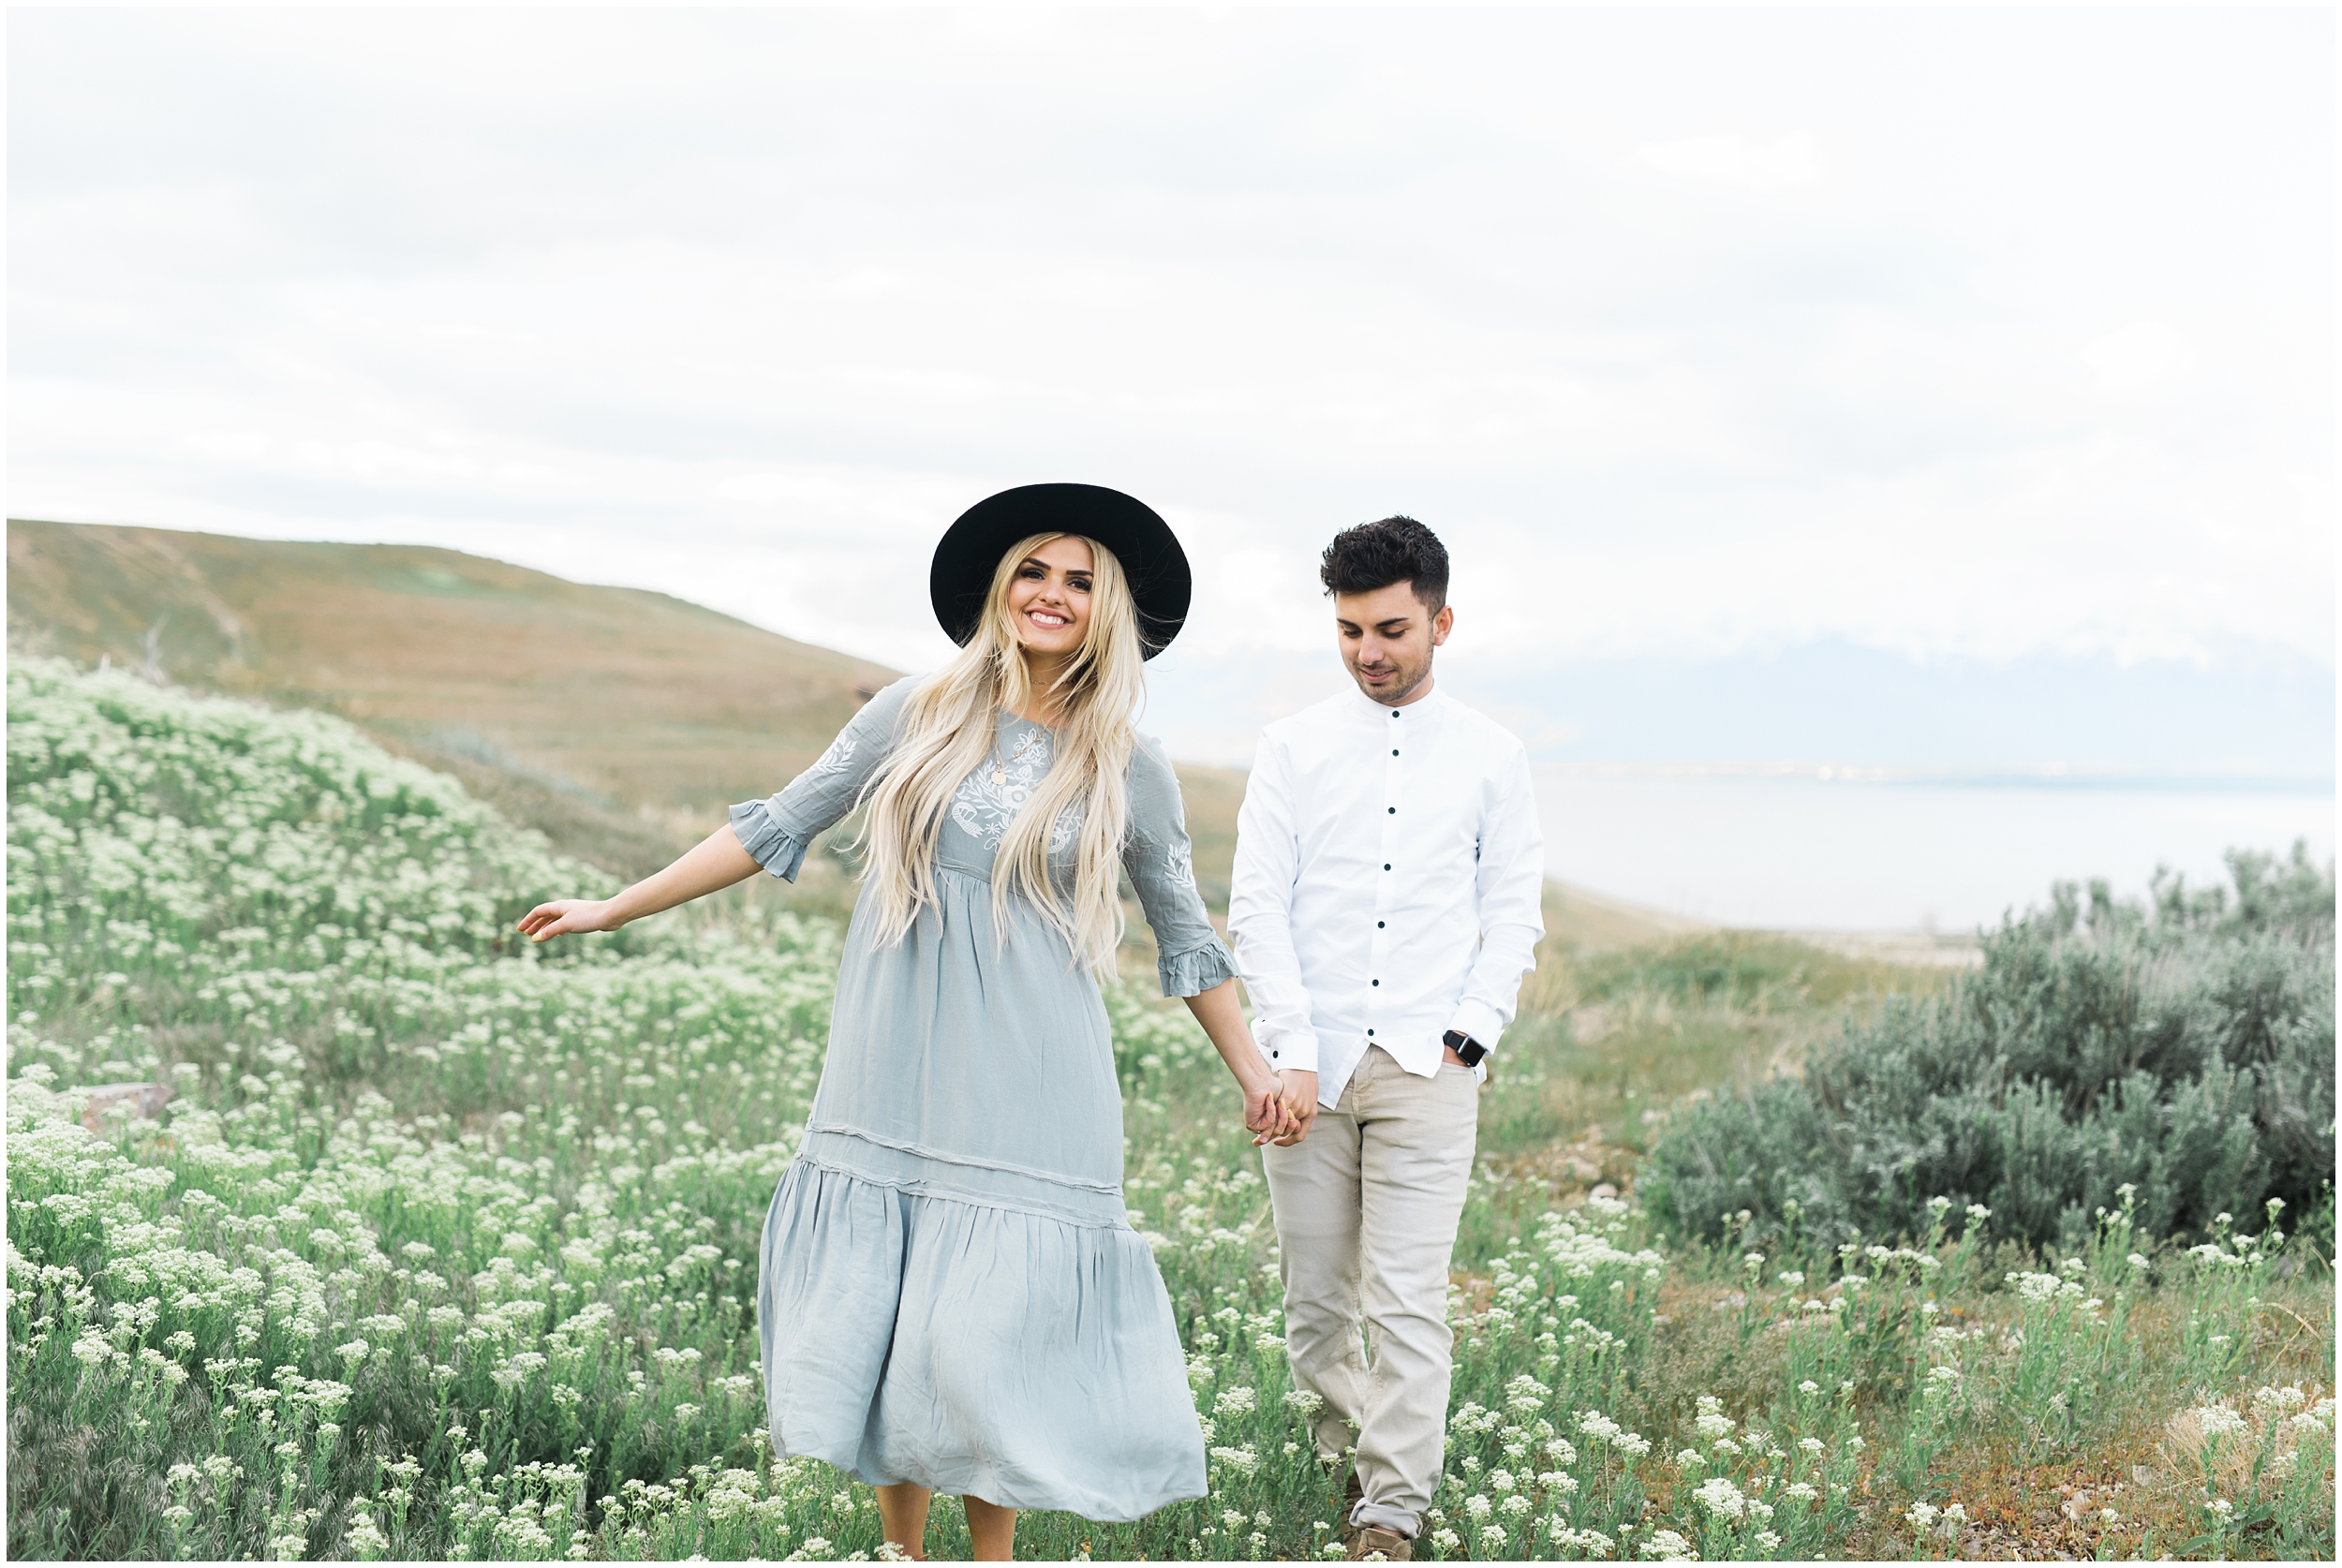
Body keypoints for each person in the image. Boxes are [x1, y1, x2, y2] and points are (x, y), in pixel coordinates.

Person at [520, 483, 1313, 1561]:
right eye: (1034, 571)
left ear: (1107, 610)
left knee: (988, 1331)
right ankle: (902, 1551)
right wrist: (616, 904)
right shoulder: (914, 711)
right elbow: (776, 825)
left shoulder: (1129, 761)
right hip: (894, 1049)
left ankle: (989, 1558)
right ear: (1000, 586)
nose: (1051, 594)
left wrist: (1253, 1068)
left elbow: (1186, 937)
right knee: (890, 1309)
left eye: (1079, 582)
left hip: (1037, 1069)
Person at [1227, 516, 1545, 1563]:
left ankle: (1391, 1515)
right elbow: (1257, 907)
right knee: (1315, 1306)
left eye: (1393, 629)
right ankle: (1353, 1465)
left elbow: (1512, 910)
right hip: (1304, 1072)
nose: (1370, 651)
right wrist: (1288, 1044)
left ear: (1442, 623)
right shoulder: (1292, 749)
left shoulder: (1495, 757)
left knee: (1407, 1302)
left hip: (1428, 1067)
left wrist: (1471, 1033)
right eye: (1351, 630)